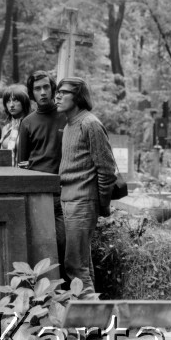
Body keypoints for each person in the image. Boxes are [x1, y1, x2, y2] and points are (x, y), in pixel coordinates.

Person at [56, 77, 116, 293]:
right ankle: (94, 316)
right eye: (58, 92)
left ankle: (90, 323)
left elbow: (107, 169)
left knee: (75, 267)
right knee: (82, 265)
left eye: (65, 92)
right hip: (68, 200)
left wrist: (100, 204)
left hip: (82, 202)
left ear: (79, 97)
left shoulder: (89, 123)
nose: (58, 96)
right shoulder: (70, 124)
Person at [18, 70, 67, 280]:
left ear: (53, 89)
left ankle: (66, 291)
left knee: (64, 244)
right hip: (38, 193)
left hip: (64, 192)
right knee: (40, 247)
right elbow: (22, 163)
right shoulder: (27, 122)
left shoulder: (66, 116)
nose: (43, 92)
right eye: (37, 89)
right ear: (32, 93)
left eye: (46, 87)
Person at [0, 84, 31, 165]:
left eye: (15, 100)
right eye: (8, 101)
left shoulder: (31, 125)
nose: (11, 105)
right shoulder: (6, 128)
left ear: (24, 101)